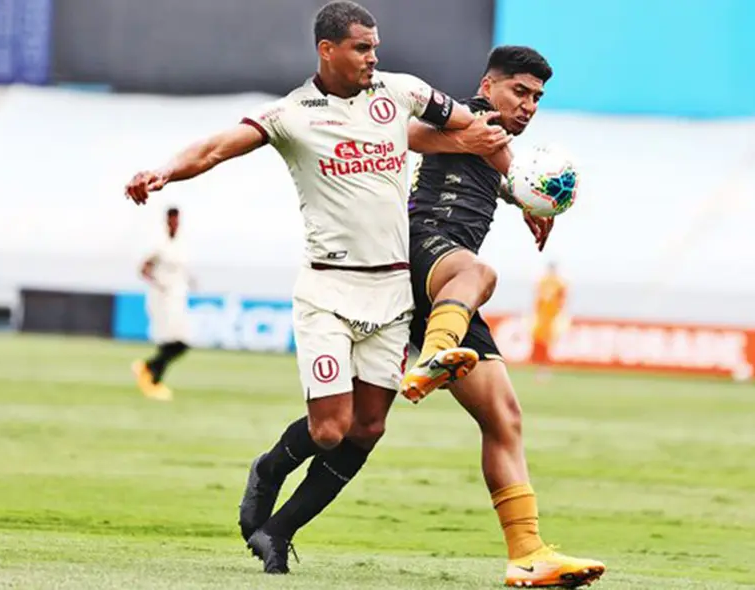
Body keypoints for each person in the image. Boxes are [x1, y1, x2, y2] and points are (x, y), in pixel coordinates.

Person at [124, 0, 508, 575]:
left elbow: (476, 132)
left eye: (375, 46)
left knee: (369, 427)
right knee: (331, 429)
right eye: (361, 47)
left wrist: (521, 191)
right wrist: (164, 173)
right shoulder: (293, 115)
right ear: (326, 50)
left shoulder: (400, 93)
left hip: (392, 294)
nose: (373, 57)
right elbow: (214, 148)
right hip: (328, 293)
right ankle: (268, 470)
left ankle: (278, 533)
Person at [243, 46, 607, 588]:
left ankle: (527, 553)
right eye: (519, 92)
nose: (529, 106)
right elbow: (397, 134)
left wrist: (525, 200)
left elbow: (505, 170)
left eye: (537, 98)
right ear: (488, 85)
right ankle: (437, 355)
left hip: (447, 290)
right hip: (422, 248)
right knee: (481, 275)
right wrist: (489, 161)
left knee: (498, 417)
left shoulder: (498, 141)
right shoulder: (468, 115)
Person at [131, 206, 193, 402]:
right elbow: (144, 268)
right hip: (162, 298)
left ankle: (148, 370)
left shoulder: (181, 244)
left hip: (178, 297)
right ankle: (152, 378)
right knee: (172, 341)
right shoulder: (159, 244)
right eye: (172, 219)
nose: (175, 223)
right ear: (167, 220)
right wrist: (160, 284)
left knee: (181, 342)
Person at [531, 261, 569, 369]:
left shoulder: (560, 283)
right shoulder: (543, 281)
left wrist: (560, 312)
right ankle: (541, 366)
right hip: (543, 316)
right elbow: (538, 298)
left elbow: (562, 299)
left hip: (553, 316)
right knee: (542, 342)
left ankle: (546, 367)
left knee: (550, 342)